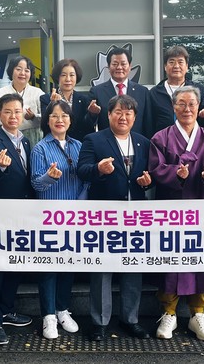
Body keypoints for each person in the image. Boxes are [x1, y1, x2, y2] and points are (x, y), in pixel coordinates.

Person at [148, 86, 204, 341]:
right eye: (181, 104)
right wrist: (176, 174)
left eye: (192, 104)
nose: (187, 109)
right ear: (173, 107)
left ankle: (198, 313)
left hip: (202, 210)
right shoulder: (161, 137)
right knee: (171, 259)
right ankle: (169, 312)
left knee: (201, 258)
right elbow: (155, 168)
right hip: (171, 211)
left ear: (199, 107)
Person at [77, 94, 153, 342]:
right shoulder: (94, 140)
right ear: (108, 115)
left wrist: (147, 181)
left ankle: (130, 319)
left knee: (133, 266)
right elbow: (82, 170)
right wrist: (98, 169)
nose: (123, 117)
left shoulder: (143, 142)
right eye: (118, 112)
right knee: (102, 268)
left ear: (135, 117)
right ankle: (99, 322)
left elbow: (149, 175)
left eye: (128, 113)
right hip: (104, 216)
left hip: (135, 216)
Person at [0, 94, 35, 345]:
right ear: (0, 115)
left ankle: (6, 309)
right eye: (8, 112)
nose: (13, 116)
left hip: (22, 212)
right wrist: (0, 167)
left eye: (17, 111)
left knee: (16, 263)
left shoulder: (26, 141)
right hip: (0, 213)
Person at [30, 100, 87, 339]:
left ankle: (63, 310)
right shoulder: (40, 148)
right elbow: (36, 184)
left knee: (68, 264)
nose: (59, 120)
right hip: (49, 217)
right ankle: (48, 316)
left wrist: (80, 204)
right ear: (47, 120)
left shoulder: (79, 146)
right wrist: (50, 177)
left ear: (70, 120)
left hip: (75, 216)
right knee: (49, 267)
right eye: (54, 116)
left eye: (64, 115)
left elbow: (86, 179)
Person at [86, 47, 153, 137]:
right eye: (115, 64)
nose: (119, 67)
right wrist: (92, 114)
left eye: (123, 64)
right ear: (108, 67)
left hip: (136, 142)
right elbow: (87, 125)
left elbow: (148, 123)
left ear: (130, 66)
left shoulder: (142, 92)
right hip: (108, 141)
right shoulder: (97, 91)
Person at [149, 45, 204, 133]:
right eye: (171, 62)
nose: (176, 66)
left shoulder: (198, 90)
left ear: (187, 66)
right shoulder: (154, 93)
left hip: (193, 138)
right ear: (165, 66)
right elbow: (149, 123)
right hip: (163, 139)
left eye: (180, 62)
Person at [0, 56, 45, 145]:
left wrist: (33, 117)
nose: (22, 73)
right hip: (7, 135)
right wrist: (6, 115)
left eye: (27, 70)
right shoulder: (0, 93)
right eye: (18, 69)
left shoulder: (38, 93)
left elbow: (47, 117)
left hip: (33, 136)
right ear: (11, 71)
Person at [39, 58, 92, 141]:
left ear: (77, 77)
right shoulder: (46, 98)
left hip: (78, 144)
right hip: (53, 144)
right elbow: (44, 125)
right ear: (57, 77)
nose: (68, 79)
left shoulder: (84, 99)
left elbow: (88, 126)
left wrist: (93, 114)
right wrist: (53, 104)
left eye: (72, 75)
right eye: (63, 75)